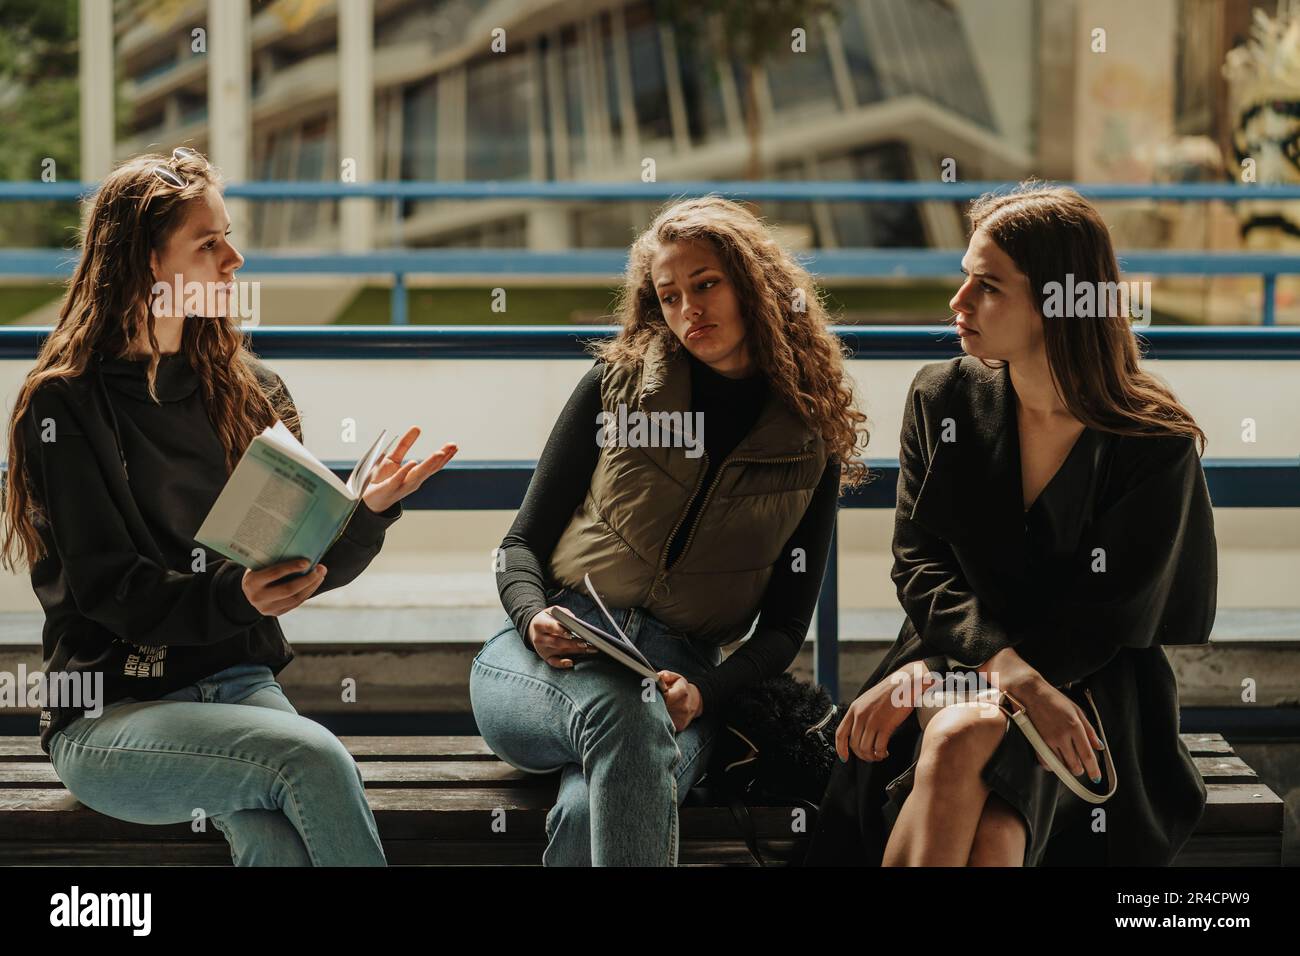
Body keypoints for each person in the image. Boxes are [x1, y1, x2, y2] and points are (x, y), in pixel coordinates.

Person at [1, 147, 458, 866]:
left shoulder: (252, 390)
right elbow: (111, 590)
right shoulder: (65, 405)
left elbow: (295, 574)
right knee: (313, 760)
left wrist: (364, 515)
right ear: (147, 260)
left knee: (276, 843)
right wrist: (235, 593)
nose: (234, 259)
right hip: (111, 711)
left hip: (238, 686)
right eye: (208, 243)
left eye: (229, 236)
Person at [805, 183, 1217, 867]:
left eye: (988, 286)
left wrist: (997, 684)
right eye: (964, 278)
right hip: (954, 656)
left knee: (990, 821)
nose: (958, 304)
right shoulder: (943, 398)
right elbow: (920, 565)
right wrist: (1002, 678)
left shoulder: (1151, 440)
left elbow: (1109, 618)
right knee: (972, 764)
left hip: (1088, 688)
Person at [469, 195, 869, 865]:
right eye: (670, 294)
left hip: (679, 684)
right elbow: (520, 547)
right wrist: (533, 615)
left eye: (705, 284)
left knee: (584, 808)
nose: (689, 310)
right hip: (540, 664)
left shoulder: (810, 439)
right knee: (623, 715)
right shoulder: (615, 387)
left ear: (754, 287)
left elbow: (782, 629)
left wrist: (704, 693)